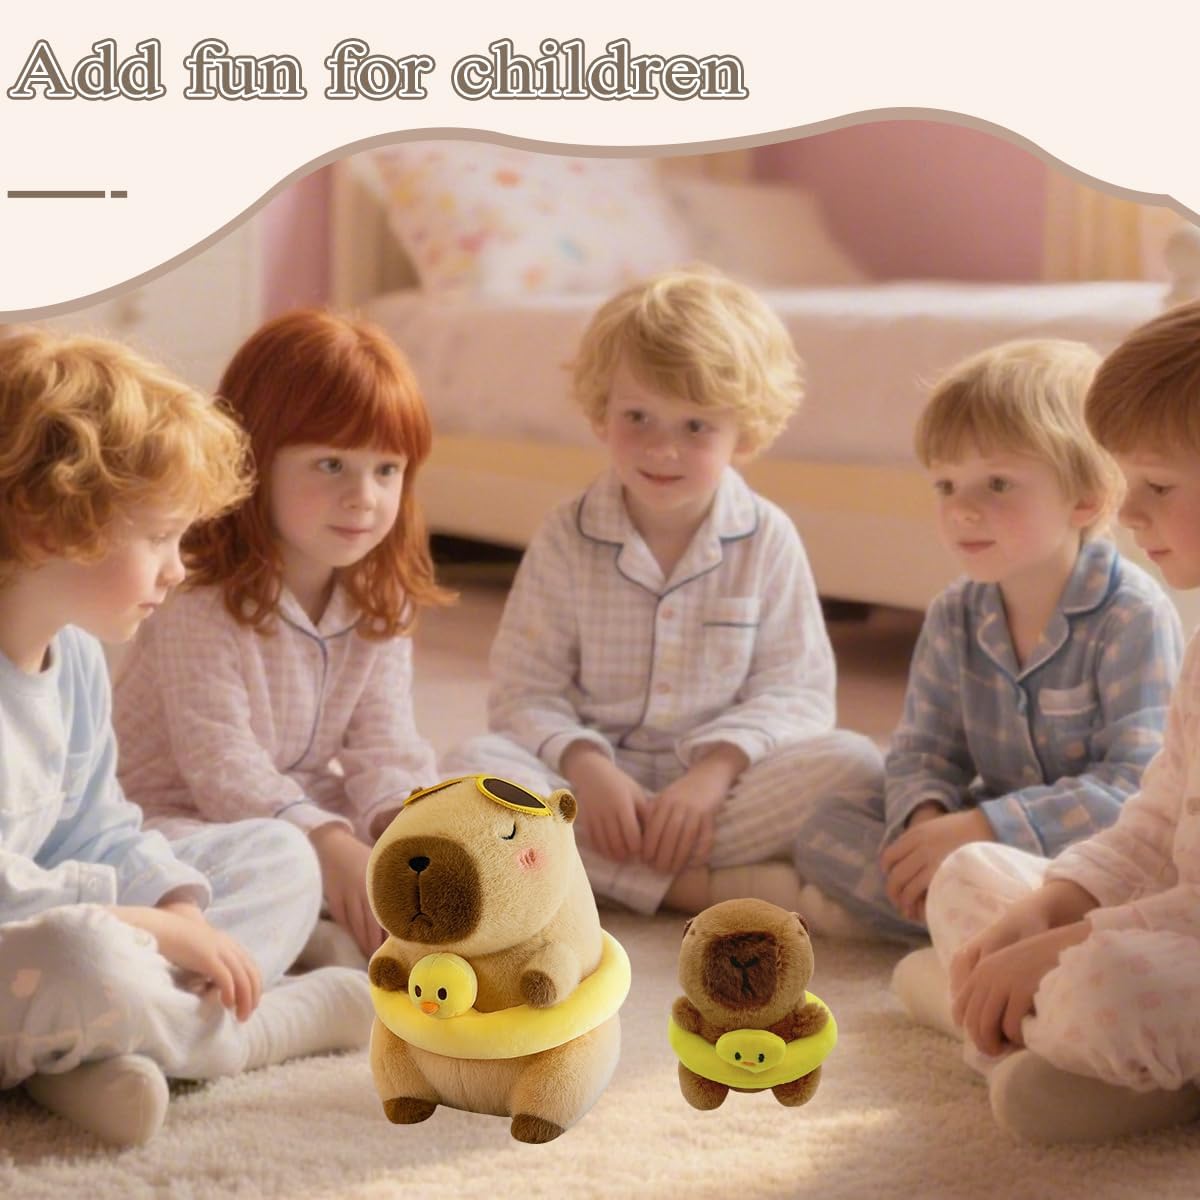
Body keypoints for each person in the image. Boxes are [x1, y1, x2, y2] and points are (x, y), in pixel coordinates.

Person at [0, 329, 372, 1148]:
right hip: (36, 948)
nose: (177, 568)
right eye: (160, 536)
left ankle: (92, 1056)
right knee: (78, 954)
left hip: (58, 952)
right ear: (47, 527)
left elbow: (95, 829)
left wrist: (172, 905)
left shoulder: (77, 657)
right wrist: (155, 930)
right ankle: (249, 1034)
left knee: (282, 855)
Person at [443, 267, 883, 915]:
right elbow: (524, 690)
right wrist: (589, 768)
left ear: (745, 433)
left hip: (717, 796)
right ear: (602, 413)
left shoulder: (768, 538)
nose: (662, 448)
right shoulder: (565, 535)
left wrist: (713, 774)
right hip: (589, 789)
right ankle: (694, 888)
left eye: (695, 426)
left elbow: (798, 692)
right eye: (638, 416)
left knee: (857, 765)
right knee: (469, 774)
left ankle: (577, 877)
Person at [893, 302, 1200, 1143]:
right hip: (1166, 923)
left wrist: (1072, 942)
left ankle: (982, 1013)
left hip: (1170, 942)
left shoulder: (1139, 615)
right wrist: (1053, 908)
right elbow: (1152, 824)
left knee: (1108, 984)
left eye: (1158, 486)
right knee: (970, 875)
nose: (1128, 513)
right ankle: (1041, 1030)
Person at [792, 338, 1182, 941]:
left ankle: (970, 932)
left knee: (1144, 884)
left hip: (1086, 854)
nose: (962, 510)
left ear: (1087, 499)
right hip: (979, 843)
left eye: (997, 484)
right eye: (947, 485)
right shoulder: (953, 613)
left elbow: (1135, 787)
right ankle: (976, 930)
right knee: (828, 823)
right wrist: (926, 823)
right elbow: (923, 750)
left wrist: (986, 828)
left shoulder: (1132, 615)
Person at [113, 310, 449, 968]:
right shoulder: (195, 595)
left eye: (387, 470)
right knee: (285, 856)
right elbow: (221, 766)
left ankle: (312, 926)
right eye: (332, 464)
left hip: (296, 803)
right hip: (175, 817)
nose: (364, 497)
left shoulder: (379, 595)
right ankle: (288, 945)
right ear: (254, 459)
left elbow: (385, 743)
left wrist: (408, 834)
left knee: (462, 813)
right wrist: (328, 843)